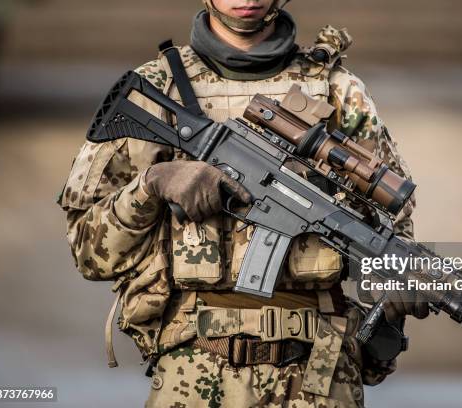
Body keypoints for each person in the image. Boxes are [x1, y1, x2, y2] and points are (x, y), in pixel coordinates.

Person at [58, 1, 429, 406]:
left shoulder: (340, 92)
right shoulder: (157, 89)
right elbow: (90, 254)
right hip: (192, 369)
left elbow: (391, 236)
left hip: (319, 374)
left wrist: (394, 289)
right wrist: (152, 184)